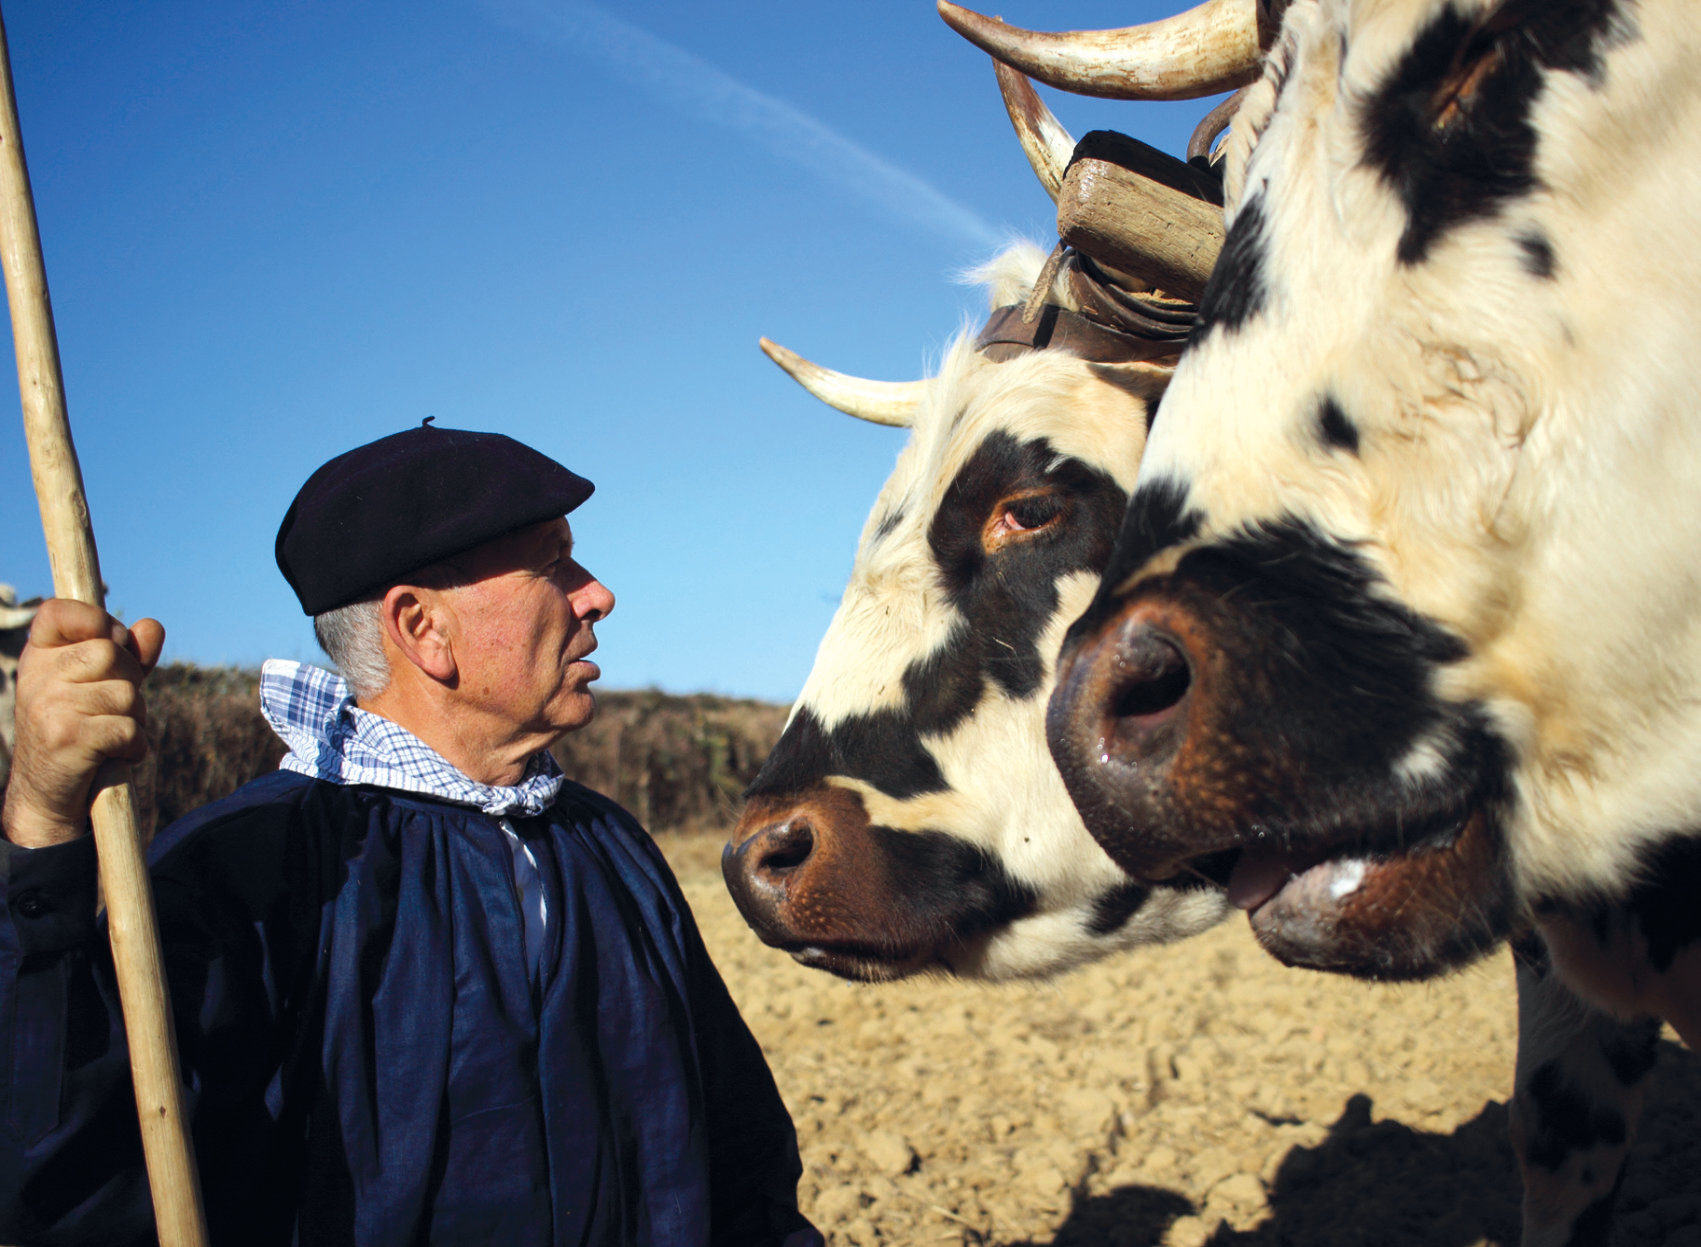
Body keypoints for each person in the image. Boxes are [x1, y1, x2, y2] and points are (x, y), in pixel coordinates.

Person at [0, 423, 822, 1247]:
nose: (597, 594)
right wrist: (42, 822)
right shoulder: (252, 867)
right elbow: (62, 1170)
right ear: (423, 627)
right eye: (552, 562)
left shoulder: (608, 844)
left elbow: (737, 1146)